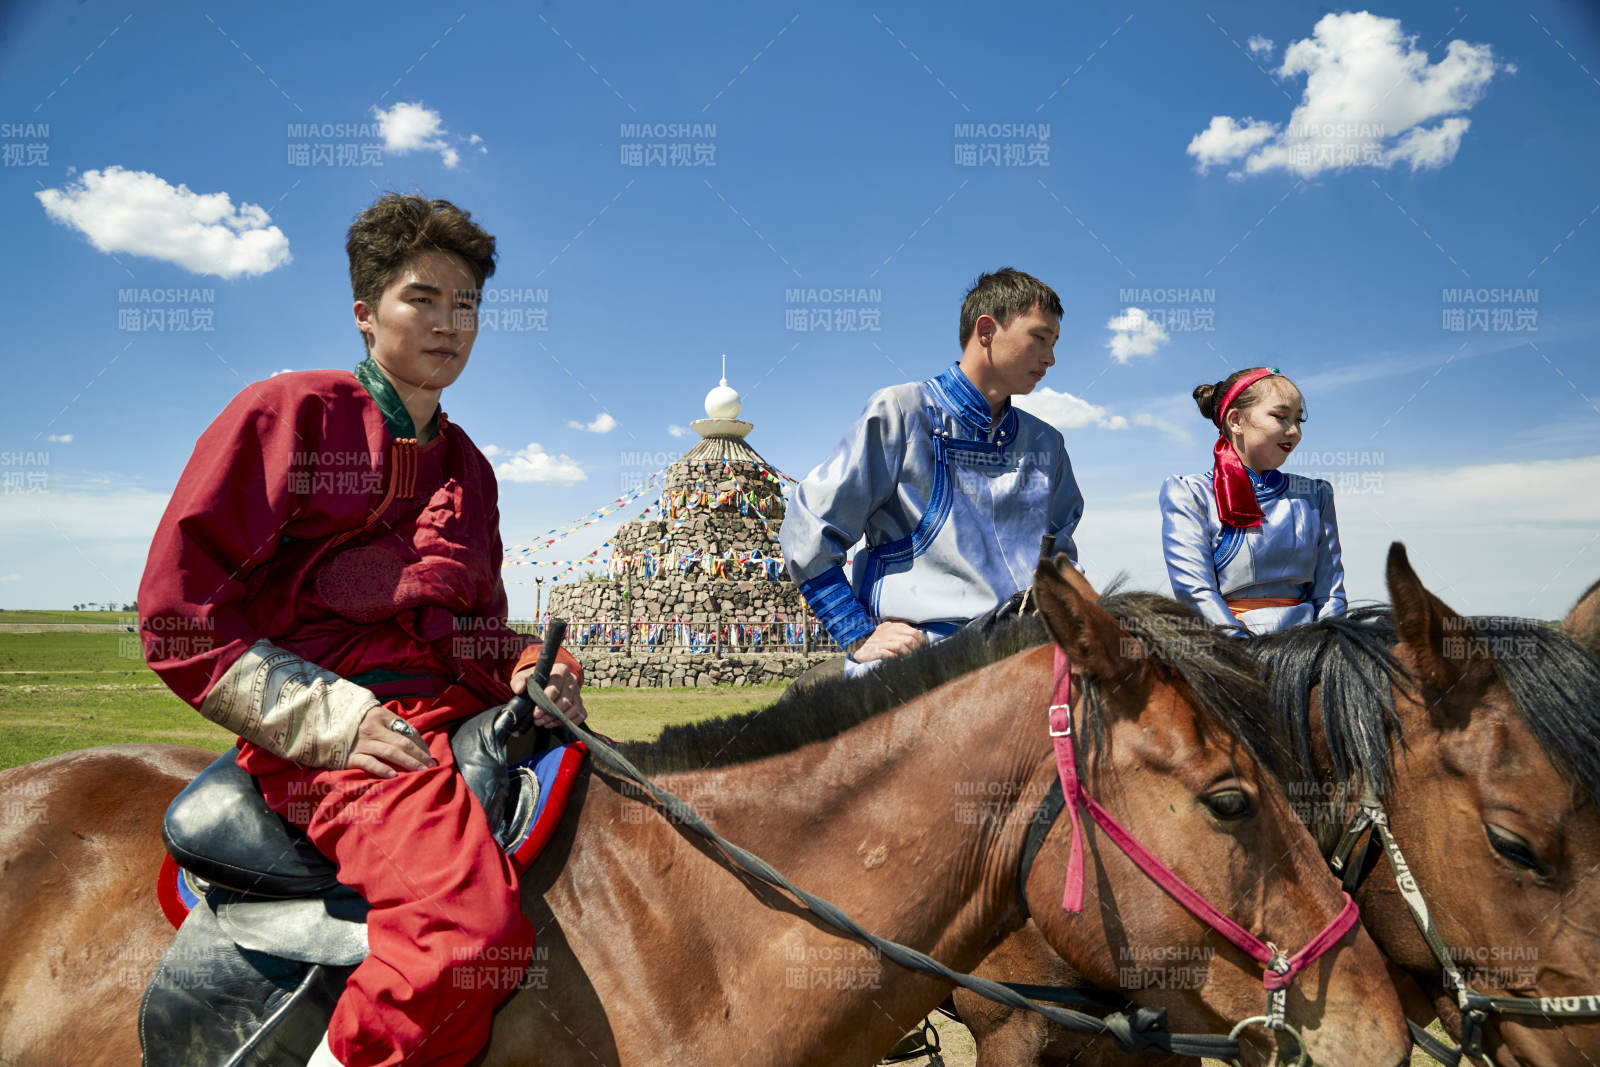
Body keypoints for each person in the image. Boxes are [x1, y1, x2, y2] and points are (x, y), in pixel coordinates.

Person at [138, 193, 587, 1067]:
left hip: (453, 708)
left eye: (468, 306)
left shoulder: (473, 470)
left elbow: (475, 632)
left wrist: (533, 666)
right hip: (342, 733)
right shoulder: (288, 416)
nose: (451, 323)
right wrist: (336, 722)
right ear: (365, 312)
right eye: (423, 298)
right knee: (464, 932)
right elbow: (178, 619)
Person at [779, 267, 1084, 672]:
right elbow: (810, 526)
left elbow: (1061, 562)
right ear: (987, 331)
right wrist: (857, 631)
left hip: (1026, 657)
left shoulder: (1047, 443)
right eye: (1040, 338)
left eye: (1055, 343)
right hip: (921, 659)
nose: (1050, 358)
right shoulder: (901, 412)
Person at [1159, 366, 1346, 636]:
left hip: (1309, 649)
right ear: (1235, 421)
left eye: (1299, 420)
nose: (1294, 431)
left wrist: (1327, 647)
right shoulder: (1192, 494)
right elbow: (1195, 592)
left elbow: (1330, 594)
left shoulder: (1315, 495)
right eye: (1281, 417)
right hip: (1229, 653)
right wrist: (1241, 649)